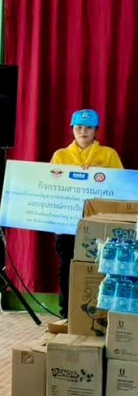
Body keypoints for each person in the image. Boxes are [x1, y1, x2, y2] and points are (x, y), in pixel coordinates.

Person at [51, 109, 122, 317]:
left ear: (96, 130)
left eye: (88, 127)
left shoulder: (108, 155)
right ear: (72, 129)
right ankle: (66, 313)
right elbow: (51, 186)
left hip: (99, 222)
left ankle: (100, 313)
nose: (83, 131)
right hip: (67, 222)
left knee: (100, 264)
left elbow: (118, 187)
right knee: (67, 265)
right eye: (79, 127)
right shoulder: (61, 155)